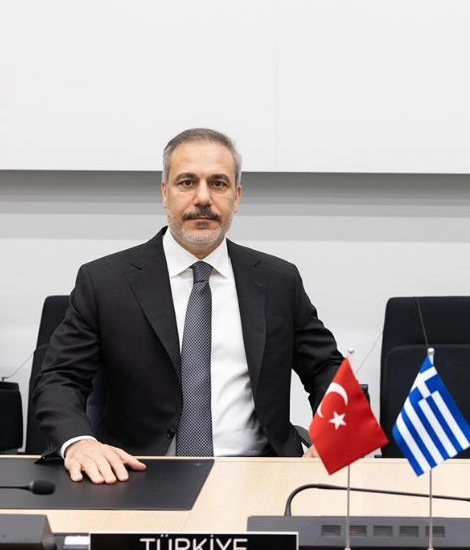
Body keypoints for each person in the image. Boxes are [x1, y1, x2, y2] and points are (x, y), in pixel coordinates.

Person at [33, 128, 342, 483]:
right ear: (165, 193)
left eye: (219, 184)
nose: (203, 198)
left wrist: (336, 435)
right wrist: (79, 443)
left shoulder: (278, 280)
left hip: (259, 475)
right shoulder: (105, 282)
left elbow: (326, 367)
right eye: (187, 182)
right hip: (137, 475)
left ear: (237, 197)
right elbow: (60, 378)